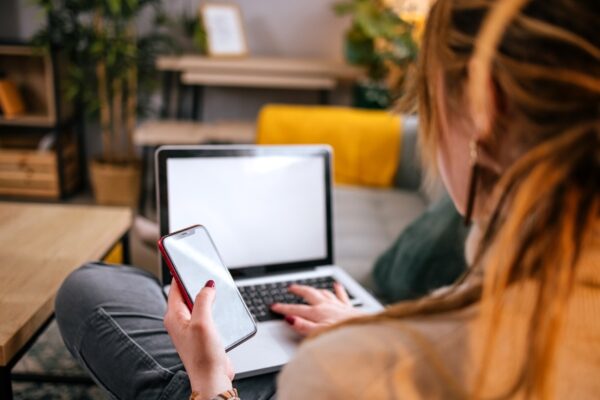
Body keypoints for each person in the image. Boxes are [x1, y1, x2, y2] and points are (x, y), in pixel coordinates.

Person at [55, 0, 599, 398]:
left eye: (430, 104)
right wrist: (368, 325)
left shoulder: (357, 373)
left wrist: (210, 380)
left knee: (94, 285)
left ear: (485, 110)